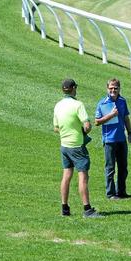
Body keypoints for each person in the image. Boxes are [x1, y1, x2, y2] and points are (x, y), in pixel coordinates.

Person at [53, 78, 103, 218]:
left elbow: (56, 128)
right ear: (74, 88)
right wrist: (84, 131)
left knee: (66, 176)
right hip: (77, 147)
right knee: (83, 177)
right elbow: (87, 126)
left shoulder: (58, 105)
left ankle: (65, 208)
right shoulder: (78, 105)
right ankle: (87, 209)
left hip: (64, 145)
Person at [94, 78, 131, 200]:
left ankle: (121, 192)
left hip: (121, 139)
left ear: (119, 89)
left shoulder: (122, 101)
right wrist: (111, 115)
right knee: (110, 168)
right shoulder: (102, 103)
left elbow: (126, 118)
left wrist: (130, 133)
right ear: (107, 89)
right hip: (109, 140)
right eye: (111, 88)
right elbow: (97, 122)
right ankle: (110, 193)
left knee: (123, 167)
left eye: (115, 88)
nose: (113, 90)